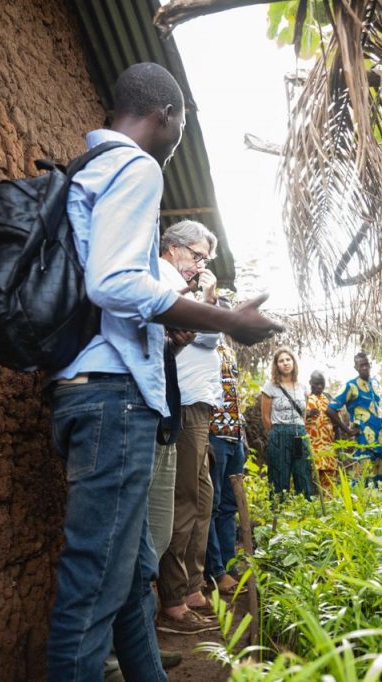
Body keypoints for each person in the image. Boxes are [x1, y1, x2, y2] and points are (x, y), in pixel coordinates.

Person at [45, 63, 281, 682]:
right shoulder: (135, 167)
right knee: (95, 577)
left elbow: (105, 294)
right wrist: (226, 320)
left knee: (127, 574)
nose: (177, 136)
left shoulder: (86, 171)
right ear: (166, 116)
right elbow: (114, 282)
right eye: (179, 123)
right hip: (113, 398)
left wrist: (164, 326)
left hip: (85, 389)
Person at [155, 220, 222, 632]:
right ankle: (174, 599)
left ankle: (192, 586)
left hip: (198, 406)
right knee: (181, 502)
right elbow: (209, 335)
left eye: (203, 260)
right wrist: (207, 297)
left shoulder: (185, 288)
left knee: (201, 499)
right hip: (184, 404)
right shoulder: (163, 281)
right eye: (196, 256)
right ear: (173, 248)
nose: (198, 266)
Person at [205, 330, 247, 594]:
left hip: (234, 434)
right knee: (213, 503)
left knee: (229, 506)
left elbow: (234, 394)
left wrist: (242, 432)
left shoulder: (228, 349)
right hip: (214, 432)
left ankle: (230, 566)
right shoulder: (200, 342)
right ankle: (216, 571)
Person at [327, 352, 382, 490]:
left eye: (367, 364)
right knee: (362, 472)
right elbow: (331, 409)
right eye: (361, 365)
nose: (365, 368)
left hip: (380, 436)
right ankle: (359, 502)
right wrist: (348, 430)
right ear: (356, 367)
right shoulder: (351, 386)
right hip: (363, 438)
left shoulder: (375, 383)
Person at [261, 348, 313, 499]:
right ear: (276, 365)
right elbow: (265, 416)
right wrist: (276, 434)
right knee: (279, 475)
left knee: (303, 473)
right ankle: (278, 512)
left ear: (293, 362)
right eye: (281, 361)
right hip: (278, 432)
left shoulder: (303, 387)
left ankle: (304, 510)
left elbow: (303, 414)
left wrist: (300, 430)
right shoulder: (270, 386)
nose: (285, 363)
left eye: (288, 359)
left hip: (300, 433)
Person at [305, 371, 338, 490]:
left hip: (328, 446)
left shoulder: (329, 398)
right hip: (312, 446)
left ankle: (329, 505)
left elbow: (336, 422)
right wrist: (308, 413)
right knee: (311, 478)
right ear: (310, 383)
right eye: (316, 384)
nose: (319, 387)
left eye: (322, 384)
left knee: (329, 479)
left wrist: (338, 444)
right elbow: (298, 417)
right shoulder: (305, 398)